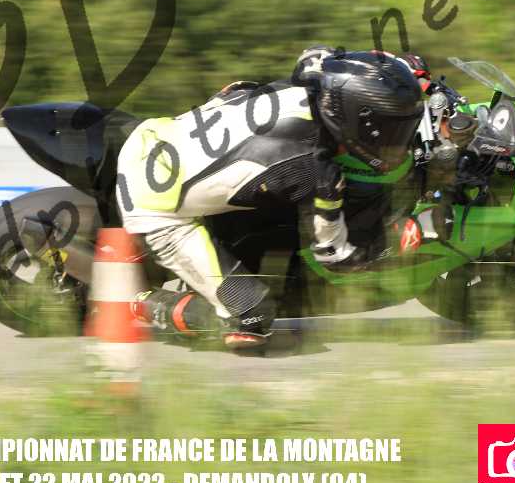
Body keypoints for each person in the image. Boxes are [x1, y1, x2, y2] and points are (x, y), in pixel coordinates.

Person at [120, 47, 427, 349]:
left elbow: (313, 55)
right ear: (353, 116)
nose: (395, 139)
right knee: (253, 317)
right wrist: (393, 245)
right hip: (155, 210)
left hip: (155, 135)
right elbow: (334, 257)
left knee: (245, 94)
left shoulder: (315, 78)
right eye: (388, 128)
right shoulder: (315, 171)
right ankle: (137, 300)